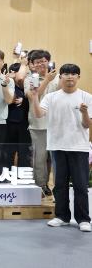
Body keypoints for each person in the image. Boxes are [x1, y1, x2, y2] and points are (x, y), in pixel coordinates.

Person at [28, 63, 91, 232]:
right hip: (57, 146)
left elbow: (87, 125)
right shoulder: (51, 97)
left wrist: (84, 112)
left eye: (73, 74)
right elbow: (38, 114)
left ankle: (83, 219)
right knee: (60, 184)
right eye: (66, 74)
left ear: (78, 77)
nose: (70, 77)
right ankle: (62, 216)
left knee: (80, 185)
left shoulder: (86, 97)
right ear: (60, 77)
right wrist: (35, 96)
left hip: (79, 147)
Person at [24, 50, 59, 196]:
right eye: (37, 62)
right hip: (38, 125)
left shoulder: (59, 77)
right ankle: (40, 186)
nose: (41, 64)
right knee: (39, 159)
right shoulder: (30, 79)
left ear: (48, 61)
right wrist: (47, 80)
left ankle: (57, 187)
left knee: (55, 159)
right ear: (32, 64)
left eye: (44, 61)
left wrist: (52, 79)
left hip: (57, 125)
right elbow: (33, 96)